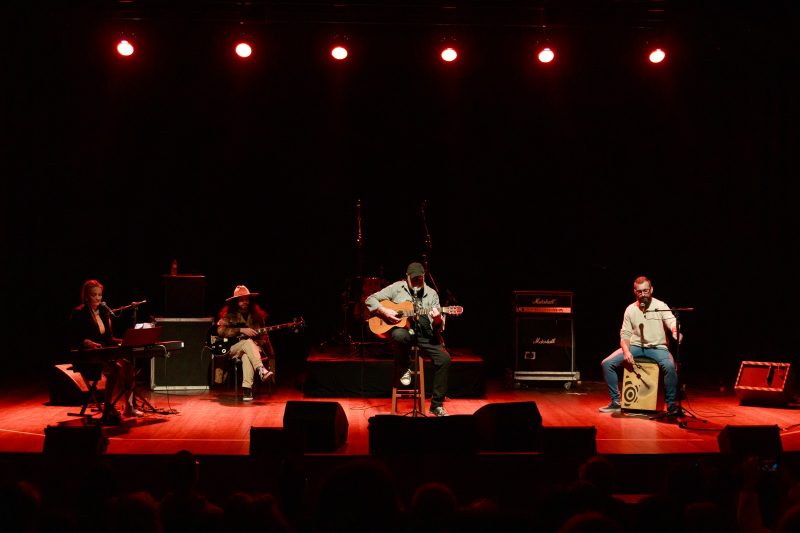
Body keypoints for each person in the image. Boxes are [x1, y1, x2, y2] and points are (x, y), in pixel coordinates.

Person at [365, 261, 451, 417]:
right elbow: (370, 299)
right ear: (407, 277)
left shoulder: (431, 294)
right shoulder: (397, 288)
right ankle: (405, 367)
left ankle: (436, 405)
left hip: (426, 334)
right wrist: (384, 311)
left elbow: (438, 326)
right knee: (398, 335)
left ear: (424, 277)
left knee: (444, 359)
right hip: (405, 333)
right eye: (414, 279)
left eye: (420, 279)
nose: (417, 282)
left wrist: (437, 318)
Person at [599, 276, 681, 414]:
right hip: (636, 347)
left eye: (646, 291)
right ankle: (615, 402)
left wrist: (675, 331)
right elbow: (624, 335)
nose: (643, 294)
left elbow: (672, 321)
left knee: (670, 366)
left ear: (651, 290)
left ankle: (671, 404)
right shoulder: (630, 309)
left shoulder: (660, 306)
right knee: (607, 364)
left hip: (658, 348)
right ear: (635, 292)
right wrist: (626, 351)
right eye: (640, 291)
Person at [67, 279, 141, 422]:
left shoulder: (103, 312)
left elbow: (108, 338)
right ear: (86, 296)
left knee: (128, 364)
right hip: (87, 355)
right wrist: (86, 342)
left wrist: (126, 340)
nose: (97, 298)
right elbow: (72, 338)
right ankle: (108, 408)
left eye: (100, 295)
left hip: (103, 353)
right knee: (115, 368)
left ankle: (129, 406)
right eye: (94, 295)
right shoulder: (79, 313)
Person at [216, 285, 275, 401]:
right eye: (242, 299)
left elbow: (264, 336)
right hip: (232, 348)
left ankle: (247, 390)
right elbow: (220, 331)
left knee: (247, 356)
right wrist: (241, 330)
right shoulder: (229, 316)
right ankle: (261, 369)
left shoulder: (257, 317)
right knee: (247, 342)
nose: (245, 302)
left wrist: (261, 343)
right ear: (236, 302)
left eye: (247, 299)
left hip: (252, 350)